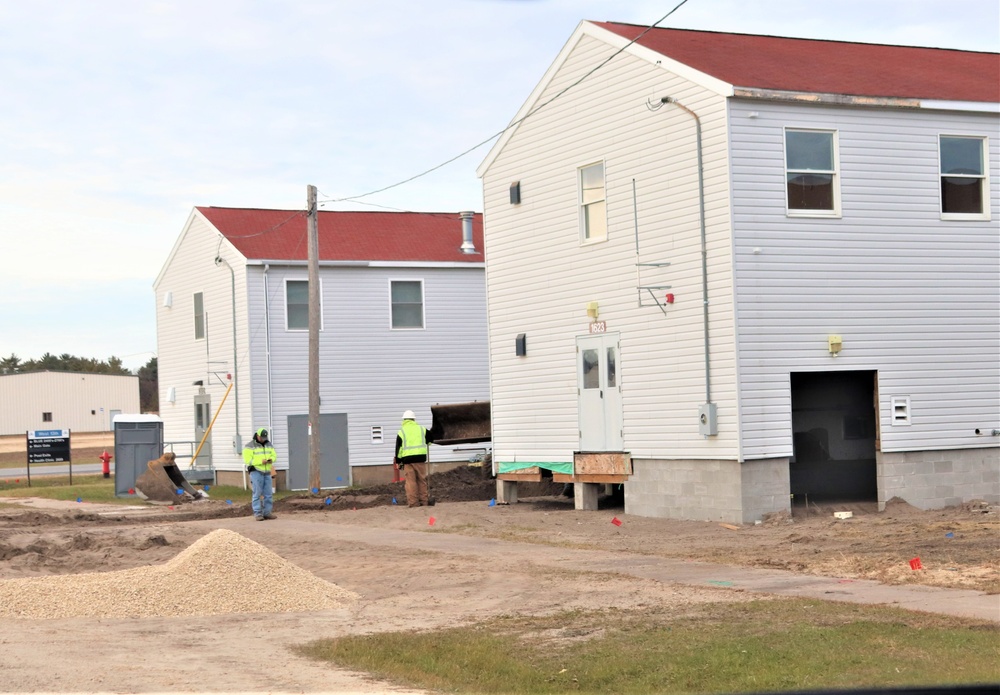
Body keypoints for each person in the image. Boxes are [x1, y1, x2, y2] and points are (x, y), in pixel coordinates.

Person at [394, 410, 437, 508]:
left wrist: (398, 461)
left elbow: (398, 449)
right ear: (414, 419)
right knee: (421, 480)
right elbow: (430, 440)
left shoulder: (401, 432)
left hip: (407, 460)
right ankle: (424, 502)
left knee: (411, 482)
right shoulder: (422, 429)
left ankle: (413, 503)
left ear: (404, 420)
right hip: (420, 459)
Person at [243, 427, 277, 521]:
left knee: (268, 493)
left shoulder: (268, 444)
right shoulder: (249, 446)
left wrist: (271, 460)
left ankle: (267, 512)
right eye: (262, 437)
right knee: (257, 493)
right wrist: (260, 461)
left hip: (267, 471)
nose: (263, 439)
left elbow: (274, 455)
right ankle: (258, 513)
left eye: (264, 437)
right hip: (256, 471)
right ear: (257, 436)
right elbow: (247, 460)